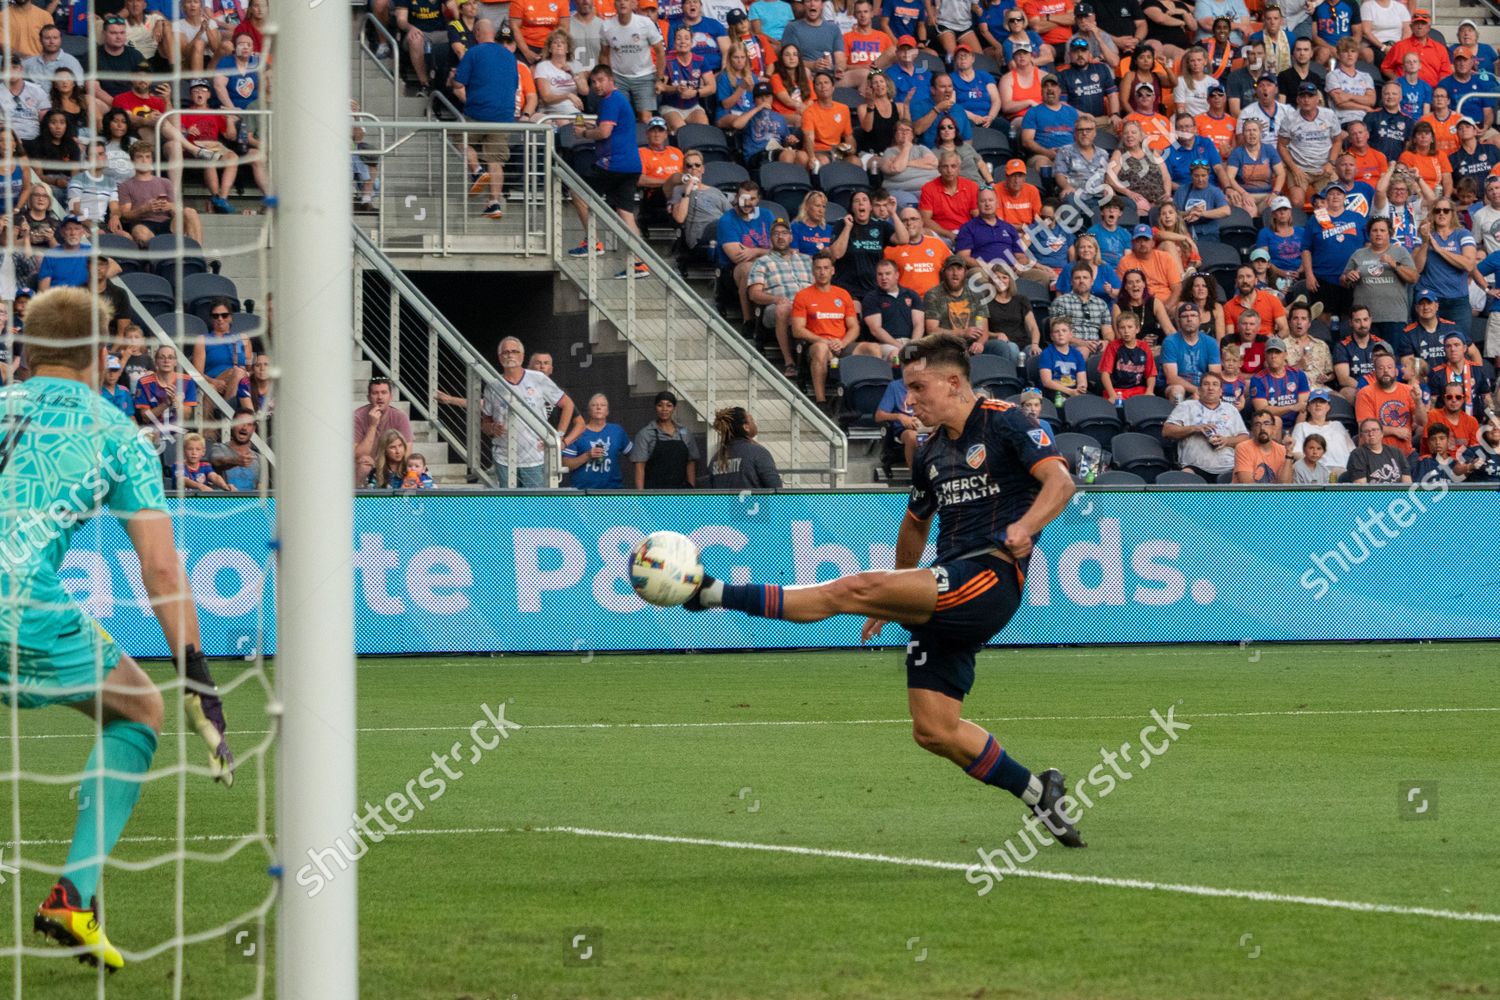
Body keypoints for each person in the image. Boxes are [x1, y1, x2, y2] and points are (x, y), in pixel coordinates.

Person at [678, 333, 1084, 850]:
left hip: (989, 579)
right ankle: (1037, 791)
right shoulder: (931, 449)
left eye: (918, 387)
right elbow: (915, 524)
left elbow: (1061, 483)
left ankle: (711, 593)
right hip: (945, 581)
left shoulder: (1005, 420)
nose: (909, 400)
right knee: (934, 730)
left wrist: (1025, 527)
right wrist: (897, 591)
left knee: (849, 589)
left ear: (954, 382)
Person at [10, 288, 233, 974]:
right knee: (140, 710)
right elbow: (161, 568)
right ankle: (73, 895)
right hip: (19, 605)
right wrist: (197, 674)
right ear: (103, 356)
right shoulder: (114, 432)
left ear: (25, 349)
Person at [569, 65, 652, 278]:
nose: (597, 85)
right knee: (625, 214)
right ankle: (640, 262)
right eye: (594, 82)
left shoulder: (611, 100)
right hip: (631, 165)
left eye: (600, 80)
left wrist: (584, 133)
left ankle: (593, 242)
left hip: (613, 163)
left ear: (611, 80)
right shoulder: (616, 101)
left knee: (577, 192)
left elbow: (604, 132)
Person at [451, 19, 518, 223]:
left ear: (478, 33)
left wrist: (453, 79)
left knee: (458, 139)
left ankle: (477, 171)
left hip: (479, 113)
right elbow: (514, 84)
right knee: (496, 160)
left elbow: (458, 83)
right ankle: (493, 203)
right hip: (504, 116)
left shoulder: (474, 52)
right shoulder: (509, 55)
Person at [793, 251, 868, 407]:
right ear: (813, 271)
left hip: (842, 344)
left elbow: (854, 327)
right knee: (820, 349)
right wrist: (824, 341)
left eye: (826, 268)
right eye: (818, 268)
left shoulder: (843, 294)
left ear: (833, 270)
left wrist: (843, 342)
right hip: (817, 344)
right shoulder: (802, 295)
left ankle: (868, 400)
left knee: (872, 348)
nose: (822, 272)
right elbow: (797, 330)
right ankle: (821, 400)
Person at [748, 218, 816, 374]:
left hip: (808, 304)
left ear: (791, 237)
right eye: (776, 233)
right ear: (770, 238)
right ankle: (789, 362)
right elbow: (754, 294)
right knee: (784, 309)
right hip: (778, 306)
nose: (780, 237)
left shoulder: (807, 260)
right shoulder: (762, 262)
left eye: (784, 233)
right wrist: (776, 299)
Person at [117, 140, 203, 246]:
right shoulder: (125, 185)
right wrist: (145, 209)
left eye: (147, 157)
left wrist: (170, 206)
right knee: (140, 231)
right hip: (143, 224)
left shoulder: (165, 182)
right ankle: (157, 257)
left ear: (152, 160)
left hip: (168, 223)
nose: (144, 161)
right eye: (140, 157)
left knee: (190, 212)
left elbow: (176, 210)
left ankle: (198, 254)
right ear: (133, 160)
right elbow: (125, 215)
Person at [1163, 371, 1248, 476]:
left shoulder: (1231, 409)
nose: (1211, 388)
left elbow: (1244, 438)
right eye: (1206, 384)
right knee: (1185, 475)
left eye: (1215, 384)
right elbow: (1167, 431)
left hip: (1228, 468)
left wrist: (1227, 440)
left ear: (1221, 391)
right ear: (1199, 390)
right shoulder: (1186, 406)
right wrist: (1194, 429)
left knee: (1246, 476)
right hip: (1195, 467)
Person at [1413, 197, 1477, 329]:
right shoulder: (1424, 235)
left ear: (1453, 213)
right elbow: (1417, 269)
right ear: (1432, 213)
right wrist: (1426, 242)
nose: (1441, 213)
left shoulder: (1463, 234)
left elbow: (1469, 264)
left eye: (1446, 210)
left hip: (1457, 300)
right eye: (1437, 210)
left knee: (1460, 342)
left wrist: (1439, 249)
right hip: (1429, 299)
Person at [715, 179, 774, 321]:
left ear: (758, 199)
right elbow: (737, 257)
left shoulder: (766, 215)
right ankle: (748, 320)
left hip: (766, 262)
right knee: (749, 268)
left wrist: (755, 252)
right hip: (732, 270)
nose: (747, 203)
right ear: (736, 198)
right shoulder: (727, 220)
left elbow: (781, 248)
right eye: (743, 198)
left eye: (752, 199)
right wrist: (767, 251)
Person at [832, 189, 906, 300]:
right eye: (856, 201)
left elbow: (903, 239)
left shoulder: (880, 225)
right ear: (852, 208)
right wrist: (848, 227)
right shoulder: (842, 224)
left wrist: (893, 213)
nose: (861, 203)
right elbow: (836, 254)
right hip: (847, 288)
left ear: (870, 207)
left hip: (873, 289)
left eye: (864, 200)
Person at [1279, 82, 1343, 207]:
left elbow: (1338, 141)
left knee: (1335, 203)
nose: (1306, 100)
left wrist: (1331, 163)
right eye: (1303, 97)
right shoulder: (1290, 119)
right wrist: (1294, 169)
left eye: (1310, 96)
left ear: (1317, 99)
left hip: (1324, 168)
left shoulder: (1329, 115)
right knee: (1297, 202)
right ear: (1298, 100)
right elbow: (1281, 145)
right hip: (1300, 168)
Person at [600, 0, 666, 122]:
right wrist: (608, 79)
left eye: (626, 0)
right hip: (618, 77)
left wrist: (659, 79)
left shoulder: (645, 23)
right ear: (614, 4)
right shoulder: (606, 26)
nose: (622, 3)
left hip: (644, 76)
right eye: (619, 1)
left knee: (645, 118)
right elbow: (604, 55)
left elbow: (660, 51)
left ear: (633, 4)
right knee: (620, 117)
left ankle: (644, 141)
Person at [1355, 351, 1424, 452]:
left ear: (1396, 371)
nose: (1386, 371)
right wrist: (1394, 431)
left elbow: (1422, 422)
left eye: (1389, 367)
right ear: (1375, 373)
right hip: (1374, 454)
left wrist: (1418, 401)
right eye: (1381, 368)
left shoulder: (1408, 390)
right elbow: (1365, 428)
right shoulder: (1365, 393)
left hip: (1405, 454)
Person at [562, 393, 633, 488]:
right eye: (594, 405)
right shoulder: (578, 432)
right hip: (583, 493)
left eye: (603, 405)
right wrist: (587, 455)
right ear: (589, 411)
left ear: (607, 411)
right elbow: (566, 464)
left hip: (613, 492)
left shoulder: (617, 431)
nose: (598, 407)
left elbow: (636, 456)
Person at [353, 377, 413, 485]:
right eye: (375, 393)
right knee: (364, 463)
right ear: (368, 397)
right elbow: (358, 455)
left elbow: (406, 452)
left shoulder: (400, 417)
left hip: (390, 463)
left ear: (391, 397)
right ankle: (357, 499)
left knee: (414, 465)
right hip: (367, 464)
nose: (380, 397)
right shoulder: (357, 416)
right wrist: (372, 425)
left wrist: (385, 464)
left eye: (384, 392)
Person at [633, 390, 700, 487]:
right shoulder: (645, 434)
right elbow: (640, 467)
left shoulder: (685, 433)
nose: (664, 409)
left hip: (680, 495)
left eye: (669, 405)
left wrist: (691, 489)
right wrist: (641, 498)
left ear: (674, 408)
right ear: (655, 407)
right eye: (660, 405)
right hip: (655, 496)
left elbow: (691, 463)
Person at [703, 405, 783, 487]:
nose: (755, 423)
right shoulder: (758, 453)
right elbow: (776, 488)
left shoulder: (716, 459)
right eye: (752, 420)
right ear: (746, 427)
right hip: (753, 500)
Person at [1249, 337, 1310, 437]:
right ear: (1265, 355)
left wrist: (1295, 434)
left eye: (1277, 352)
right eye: (1270, 352)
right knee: (1276, 420)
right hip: (1270, 425)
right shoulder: (1258, 379)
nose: (1273, 356)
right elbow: (1262, 410)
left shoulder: (1298, 374)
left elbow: (1302, 407)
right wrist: (1291, 407)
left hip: (1297, 423)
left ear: (1285, 354)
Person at [1160, 302, 1222, 400]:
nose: (1189, 319)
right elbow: (1171, 378)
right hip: (1177, 386)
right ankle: (1179, 415)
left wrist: (1203, 391)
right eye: (1185, 316)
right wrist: (1196, 390)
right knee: (1177, 391)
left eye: (1193, 315)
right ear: (1179, 321)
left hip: (1203, 387)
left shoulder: (1211, 343)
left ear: (1200, 320)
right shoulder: (1170, 342)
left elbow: (1215, 376)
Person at [1289, 387, 1355, 476]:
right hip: (1317, 473)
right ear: (1308, 407)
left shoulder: (1338, 425)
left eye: (1322, 402)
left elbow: (1352, 450)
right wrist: (1315, 466)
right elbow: (1296, 453)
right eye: (1314, 402)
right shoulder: (1301, 427)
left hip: (1344, 471)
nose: (1318, 405)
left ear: (1328, 407)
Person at [1050, 262, 1114, 354]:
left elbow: (1108, 331)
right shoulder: (1061, 302)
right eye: (1077, 278)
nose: (1081, 281)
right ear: (1071, 282)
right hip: (1071, 347)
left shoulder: (1101, 304)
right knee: (1083, 350)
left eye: (1085, 278)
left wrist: (1106, 342)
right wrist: (1083, 343)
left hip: (1096, 346)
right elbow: (1057, 333)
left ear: (1092, 281)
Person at [1097, 311, 1154, 402]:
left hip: (1139, 391)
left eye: (1130, 327)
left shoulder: (1144, 347)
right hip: (1117, 391)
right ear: (1118, 330)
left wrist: (1149, 391)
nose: (1126, 331)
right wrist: (1112, 395)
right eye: (1122, 328)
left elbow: (1151, 374)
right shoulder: (1113, 346)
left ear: (1137, 329)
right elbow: (1105, 373)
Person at [1116, 223, 1183, 300]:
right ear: (1132, 243)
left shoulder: (1165, 257)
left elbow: (1177, 289)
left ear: (1153, 242)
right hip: (1139, 304)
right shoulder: (1125, 262)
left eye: (1146, 240)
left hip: (1167, 301)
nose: (1142, 244)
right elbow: (1121, 291)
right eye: (1138, 240)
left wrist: (1166, 307)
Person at [208, 411, 265, 491]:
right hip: (224, 502)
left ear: (253, 429)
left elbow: (262, 490)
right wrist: (236, 461)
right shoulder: (219, 448)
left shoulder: (259, 459)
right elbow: (216, 462)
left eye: (249, 424)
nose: (244, 428)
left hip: (251, 503)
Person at [1346, 416, 1412, 481]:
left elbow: (1407, 484)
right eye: (1366, 431)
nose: (1371, 434)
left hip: (1397, 492)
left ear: (1382, 433)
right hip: (1372, 492)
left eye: (1374, 430)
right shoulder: (1357, 455)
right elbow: (1361, 488)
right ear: (1361, 436)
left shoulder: (1396, 452)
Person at [1038, 318, 1089, 399]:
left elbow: (1082, 379)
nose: (1060, 334)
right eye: (1056, 331)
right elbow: (1046, 382)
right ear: (1051, 336)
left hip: (1073, 389)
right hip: (1054, 390)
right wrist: (1070, 392)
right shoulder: (1047, 353)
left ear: (1070, 335)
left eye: (1064, 330)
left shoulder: (1077, 354)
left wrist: (1081, 388)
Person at [1233, 411, 1288, 482]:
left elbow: (1285, 486)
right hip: (1247, 493)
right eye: (1257, 424)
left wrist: (1289, 454)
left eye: (1266, 423)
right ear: (1252, 430)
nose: (1262, 428)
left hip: (1274, 493)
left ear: (1274, 428)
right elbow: (1247, 486)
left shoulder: (1282, 450)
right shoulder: (1243, 448)